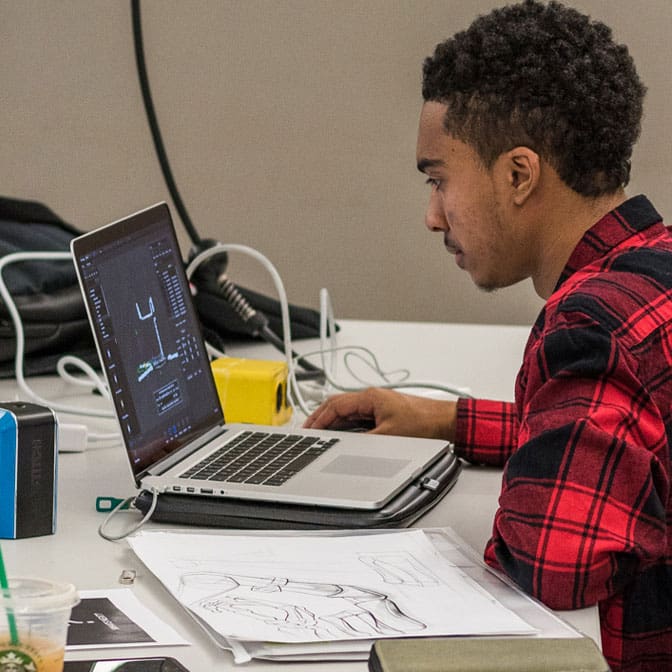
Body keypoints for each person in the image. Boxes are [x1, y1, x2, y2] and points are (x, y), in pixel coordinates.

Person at [303, 2, 672, 671]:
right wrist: (449, 422)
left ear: (519, 175)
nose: (431, 215)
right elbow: (633, 441)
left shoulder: (594, 325)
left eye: (440, 180)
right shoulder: (655, 268)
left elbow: (552, 567)